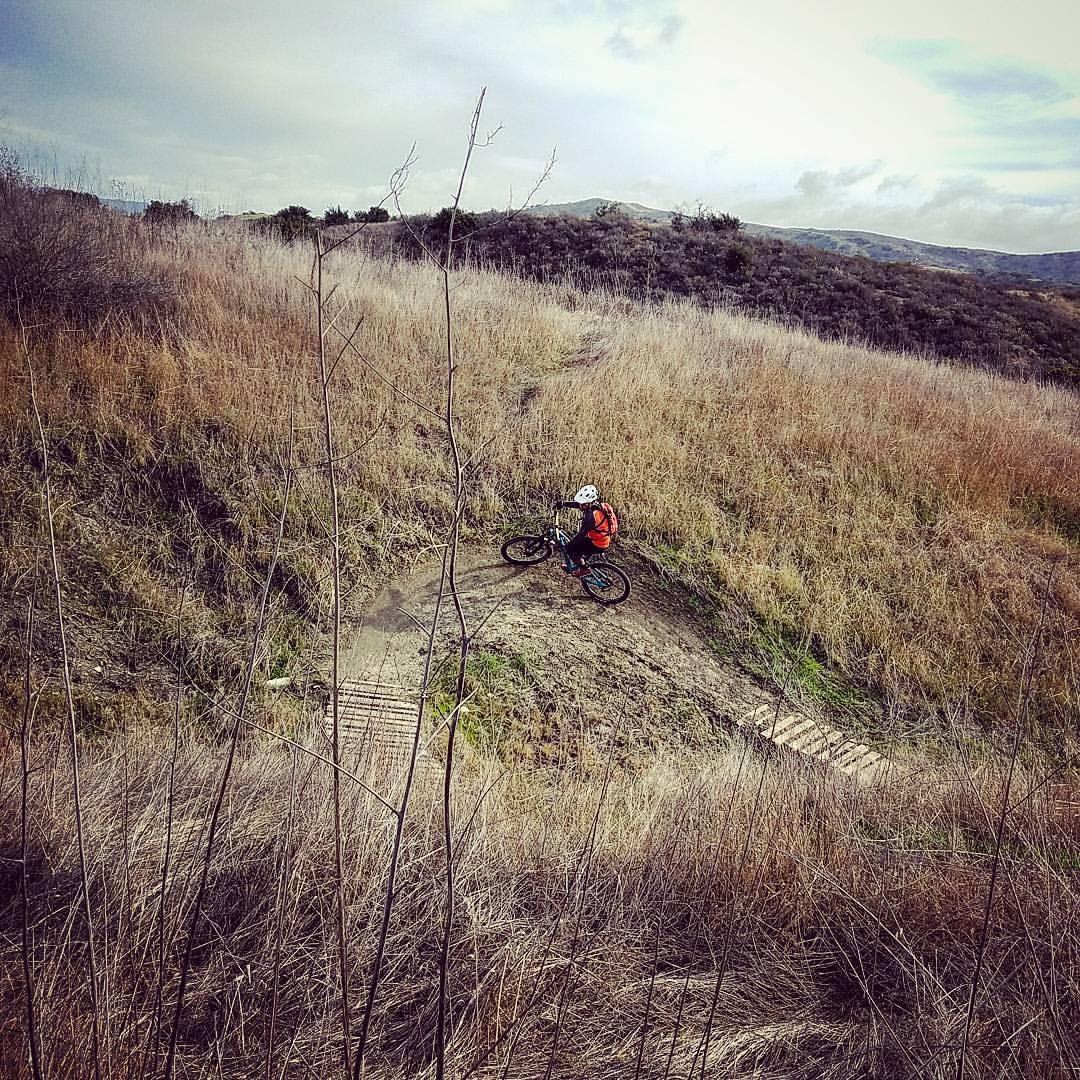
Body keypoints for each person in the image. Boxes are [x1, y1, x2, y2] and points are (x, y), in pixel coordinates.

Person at [554, 484, 618, 576]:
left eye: (582, 503)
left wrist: (569, 546)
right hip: (601, 538)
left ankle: (584, 569)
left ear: (588, 503)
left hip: (598, 543)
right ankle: (580, 563)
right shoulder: (596, 505)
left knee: (571, 551)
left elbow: (581, 535)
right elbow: (578, 505)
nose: (580, 505)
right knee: (575, 546)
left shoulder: (590, 517)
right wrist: (564, 504)